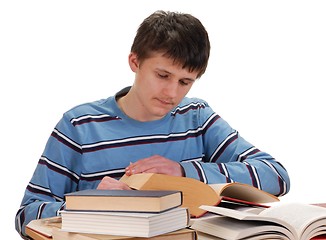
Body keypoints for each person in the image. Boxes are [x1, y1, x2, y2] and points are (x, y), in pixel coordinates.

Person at [15, 10, 290, 238]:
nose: (172, 93)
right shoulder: (80, 126)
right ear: (135, 61)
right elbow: (26, 214)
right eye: (162, 75)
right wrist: (87, 205)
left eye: (185, 82)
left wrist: (183, 172)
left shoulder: (197, 118)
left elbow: (276, 175)